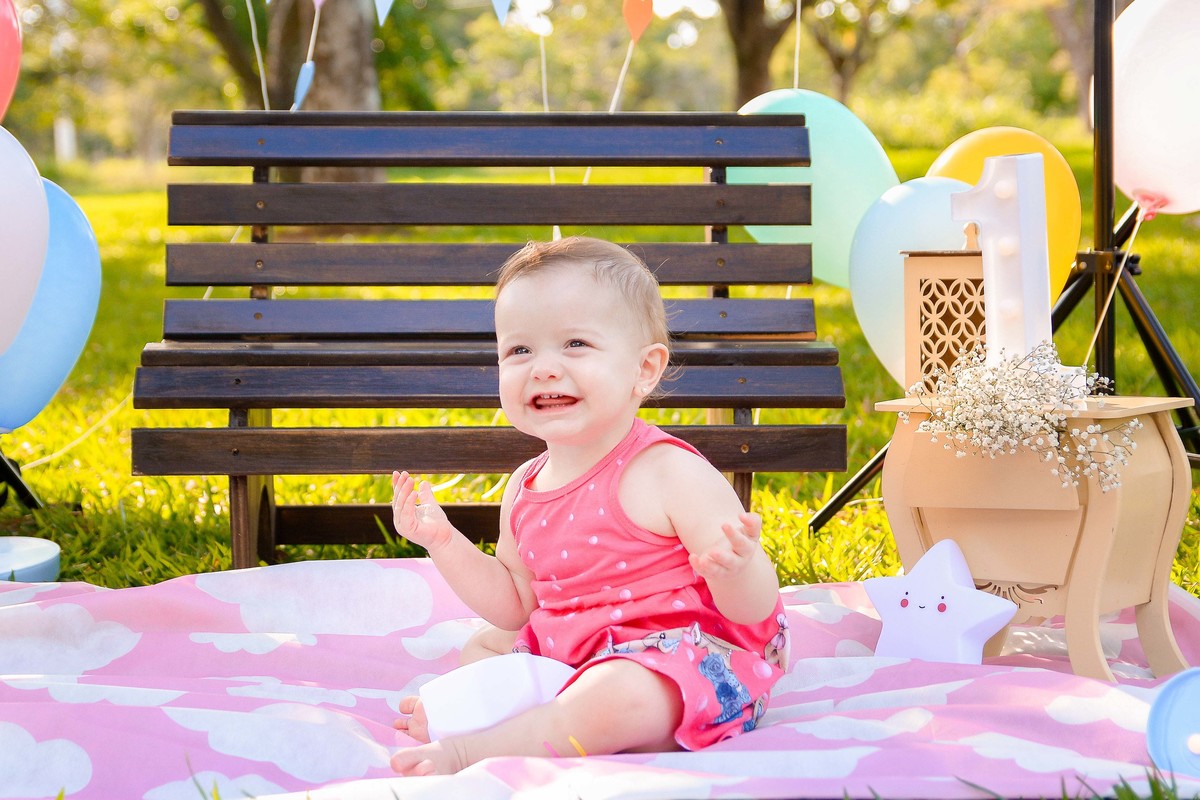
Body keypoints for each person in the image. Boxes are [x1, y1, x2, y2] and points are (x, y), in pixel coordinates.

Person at [389, 236, 790, 776]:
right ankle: (544, 715)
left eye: (575, 343)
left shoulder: (667, 472)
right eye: (519, 350)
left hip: (680, 661)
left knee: (621, 695)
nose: (543, 368)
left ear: (643, 370)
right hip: (576, 654)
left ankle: (477, 747)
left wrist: (738, 571)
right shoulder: (524, 486)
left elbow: (753, 610)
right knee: (482, 648)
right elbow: (516, 606)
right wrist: (443, 542)